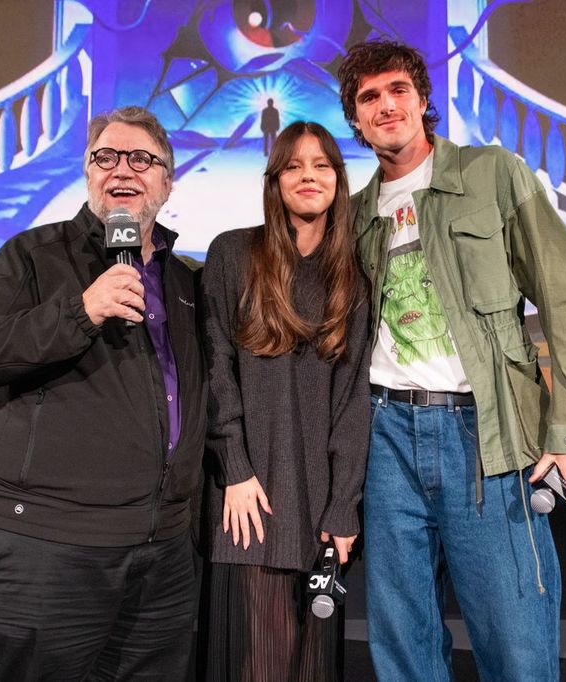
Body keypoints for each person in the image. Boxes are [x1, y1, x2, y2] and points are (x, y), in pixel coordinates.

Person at [337, 40, 566, 681]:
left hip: (483, 435)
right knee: (402, 645)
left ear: (422, 99)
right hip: (385, 440)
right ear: (355, 119)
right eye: (369, 97)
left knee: (516, 643)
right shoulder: (356, 216)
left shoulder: (492, 174)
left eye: (398, 90)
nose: (386, 106)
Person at [0, 106, 206, 680]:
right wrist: (81, 311)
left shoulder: (184, 281)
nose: (122, 169)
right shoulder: (36, 255)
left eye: (141, 159)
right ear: (88, 175)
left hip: (161, 555)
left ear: (167, 182)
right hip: (45, 547)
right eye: (105, 157)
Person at [200, 121, 370, 681]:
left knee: (312, 669)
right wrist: (235, 468)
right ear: (274, 180)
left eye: (321, 165)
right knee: (255, 666)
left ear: (338, 180)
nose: (308, 176)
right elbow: (216, 368)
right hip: (248, 502)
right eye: (293, 166)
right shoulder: (233, 253)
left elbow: (352, 401)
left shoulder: (352, 276)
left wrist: (343, 505)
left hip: (319, 512)